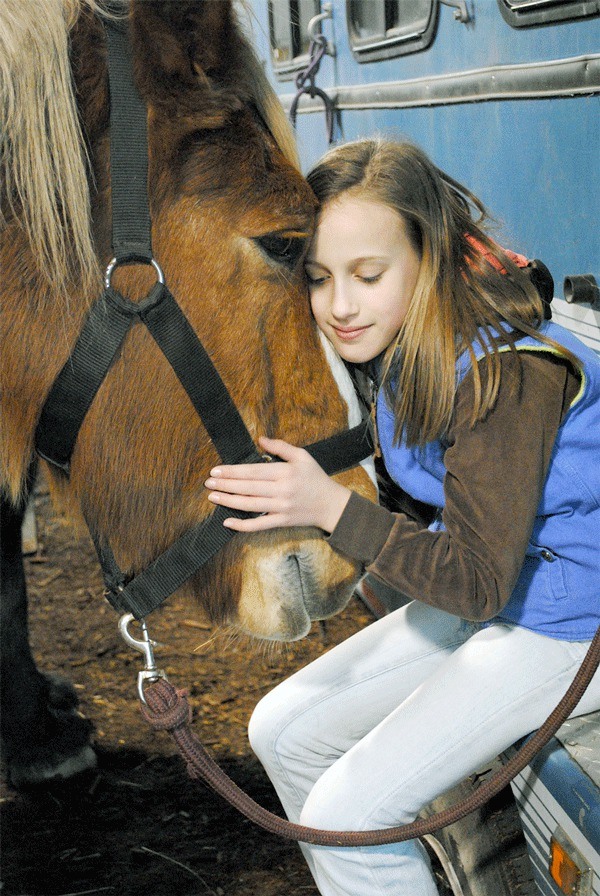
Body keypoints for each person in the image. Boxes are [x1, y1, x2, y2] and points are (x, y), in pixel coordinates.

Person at [204, 139, 600, 896]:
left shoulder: (504, 371)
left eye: (368, 275)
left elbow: (478, 583)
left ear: (431, 255)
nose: (340, 305)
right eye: (318, 279)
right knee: (279, 732)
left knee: (350, 813)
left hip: (572, 618)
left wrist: (330, 509)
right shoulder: (402, 344)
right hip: (515, 585)